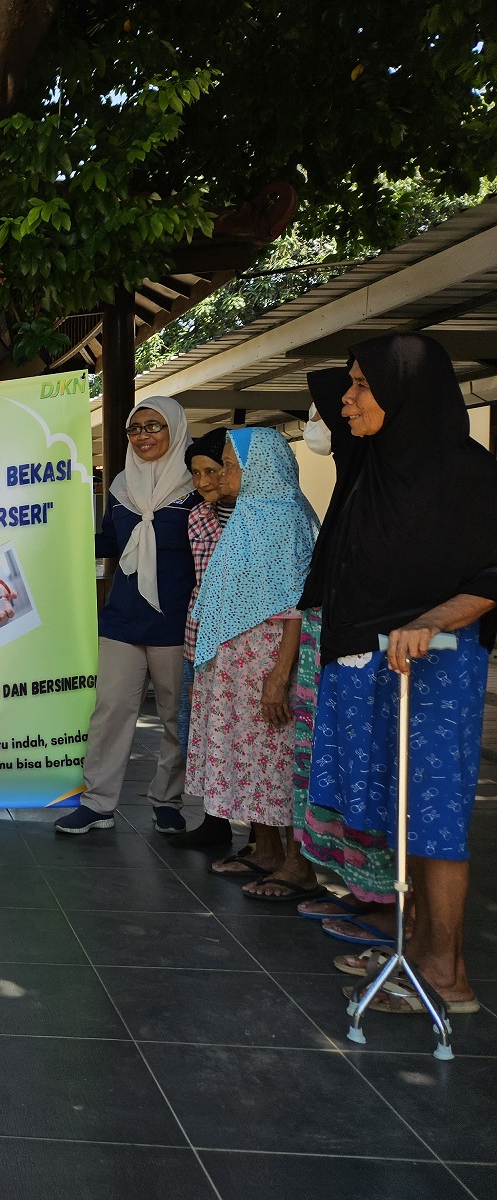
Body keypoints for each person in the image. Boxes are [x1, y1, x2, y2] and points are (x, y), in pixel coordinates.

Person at [300, 333, 497, 1014]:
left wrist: (432, 619)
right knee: (398, 813)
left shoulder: (465, 471)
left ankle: (448, 974)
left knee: (434, 819)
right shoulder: (376, 464)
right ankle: (413, 948)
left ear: (404, 392)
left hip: (435, 665)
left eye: (362, 385)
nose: (347, 399)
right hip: (373, 661)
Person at [186, 428, 323, 900]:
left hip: (267, 664)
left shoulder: (285, 516)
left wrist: (280, 677)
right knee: (253, 757)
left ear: (260, 467)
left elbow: (295, 604)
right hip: (238, 666)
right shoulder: (250, 513)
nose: (222, 474)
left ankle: (298, 865)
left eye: (230, 464)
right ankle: (265, 850)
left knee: (280, 758)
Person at [56, 398, 197, 835]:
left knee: (175, 717)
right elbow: (111, 542)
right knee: (110, 711)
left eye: (153, 426)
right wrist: (56, 534)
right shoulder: (121, 486)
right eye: (135, 429)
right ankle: (97, 803)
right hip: (121, 619)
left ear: (175, 428)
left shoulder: (197, 486)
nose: (142, 436)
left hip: (176, 622)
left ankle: (167, 801)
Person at [292, 368, 399, 939]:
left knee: (376, 775)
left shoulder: (397, 478)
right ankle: (363, 891)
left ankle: (390, 906)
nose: (331, 416)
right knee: (345, 772)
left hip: (382, 657)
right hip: (341, 647)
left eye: (323, 412)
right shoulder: (356, 477)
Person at [172, 428, 236, 849]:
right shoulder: (197, 517)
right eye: (195, 473)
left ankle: (262, 835)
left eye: (212, 470)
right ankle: (215, 821)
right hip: (199, 638)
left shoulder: (257, 517)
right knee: (196, 730)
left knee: (240, 736)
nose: (203, 481)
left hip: (241, 644)